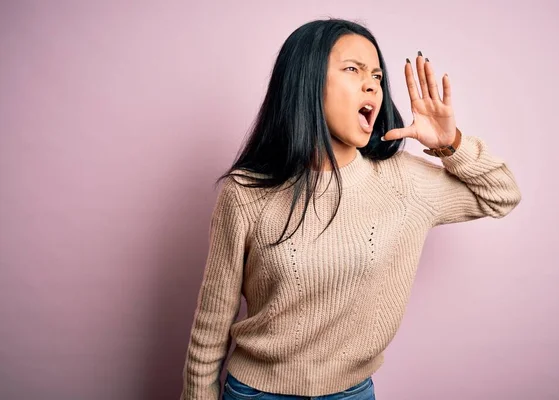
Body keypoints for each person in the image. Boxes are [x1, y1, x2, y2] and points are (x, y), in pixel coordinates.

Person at [179, 18, 521, 400]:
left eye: (376, 74)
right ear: (306, 82)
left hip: (352, 393)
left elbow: (501, 194)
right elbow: (211, 326)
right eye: (352, 69)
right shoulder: (245, 193)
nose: (372, 83)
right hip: (256, 392)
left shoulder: (403, 182)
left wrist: (449, 144)